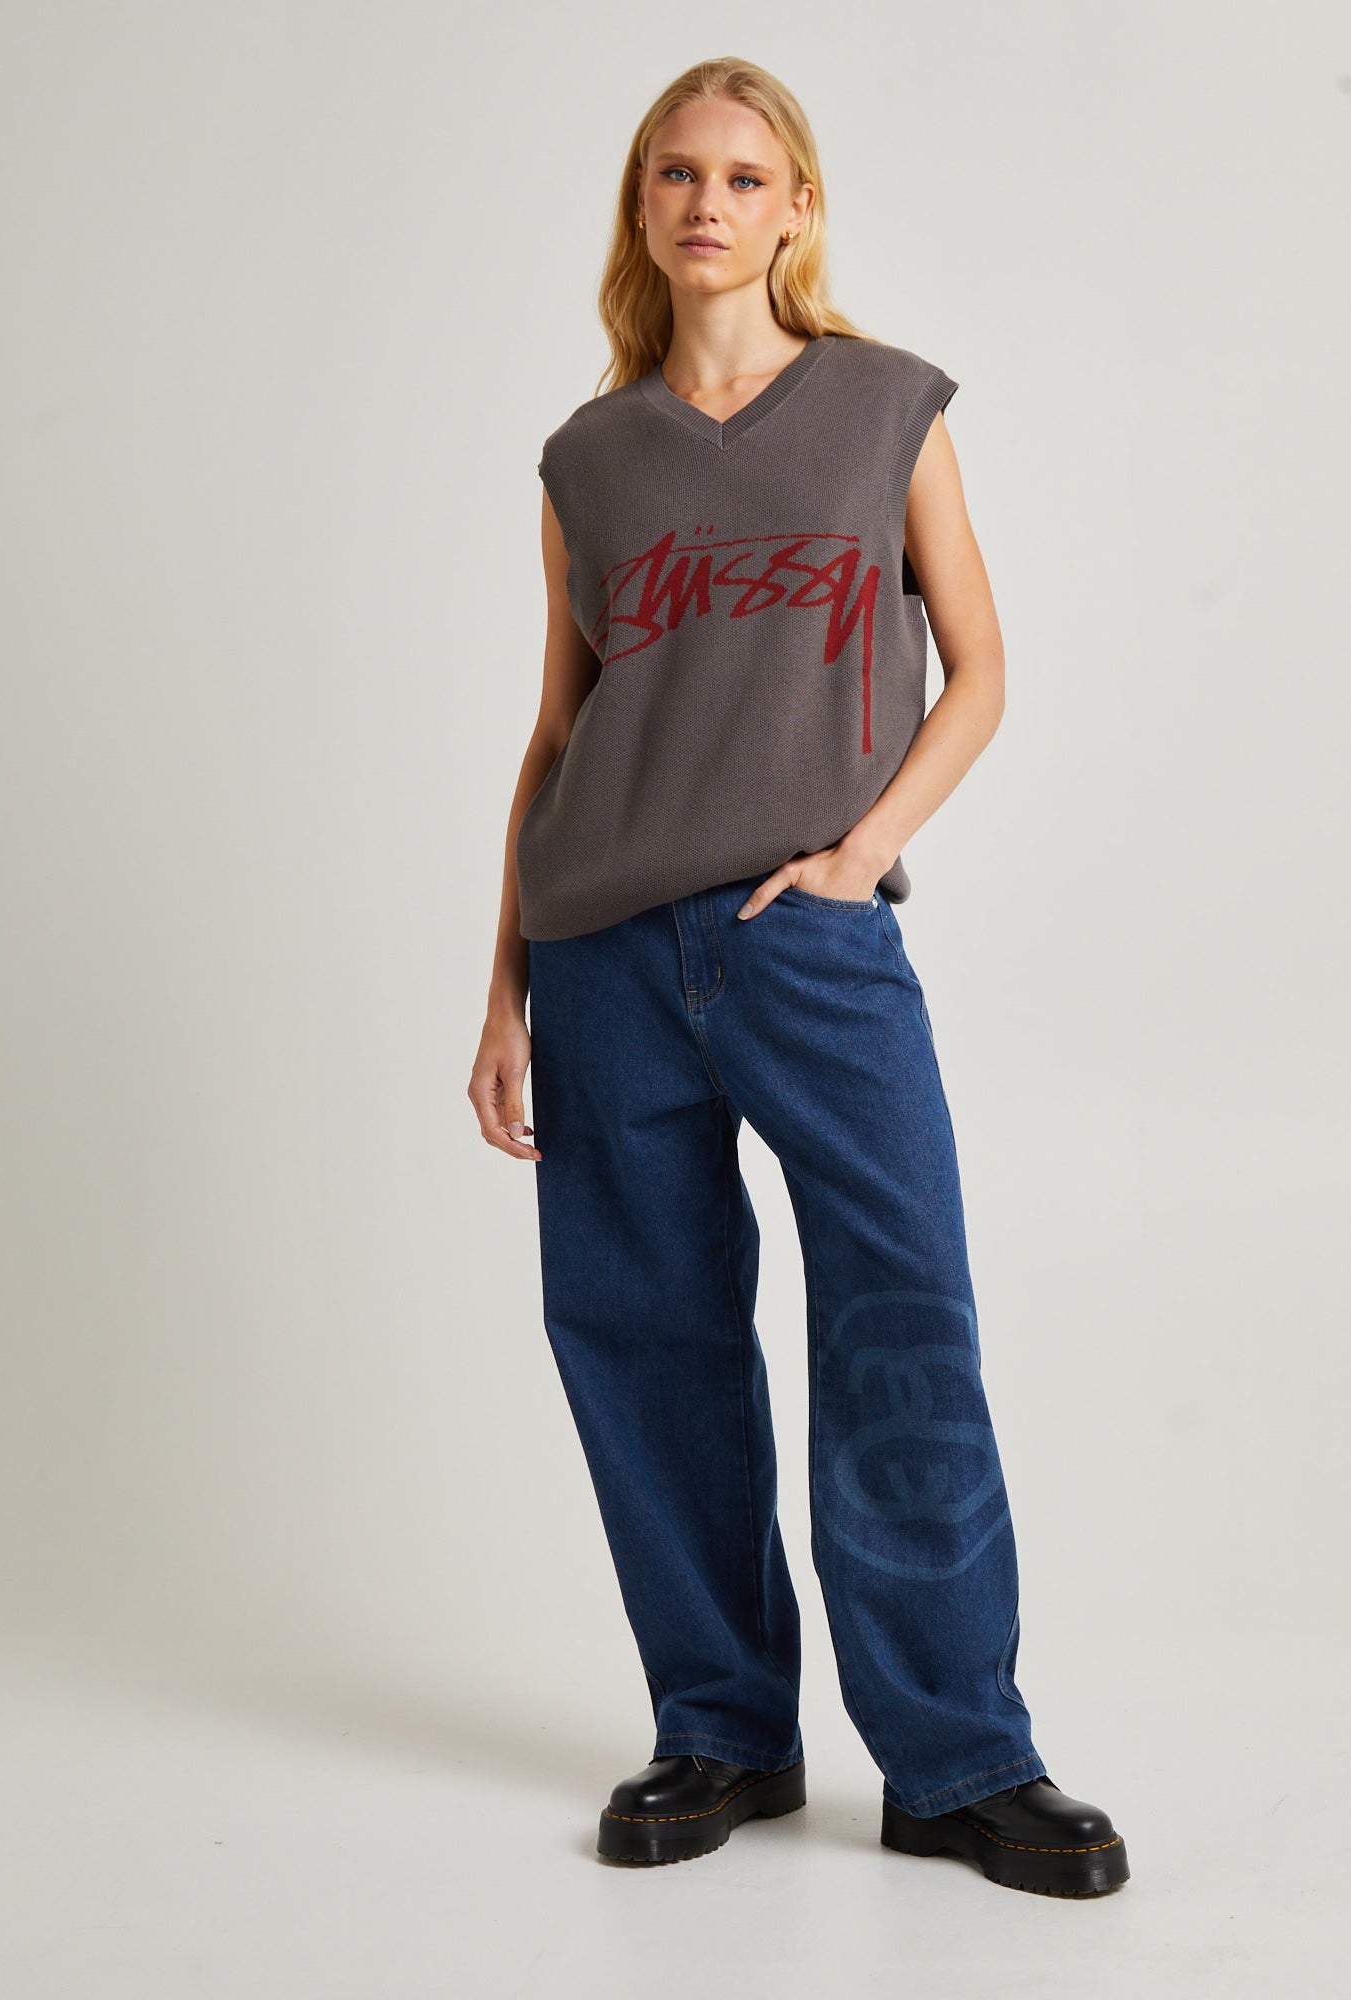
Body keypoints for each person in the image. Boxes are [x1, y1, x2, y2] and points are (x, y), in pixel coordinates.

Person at [468, 56, 1129, 1899]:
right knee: (648, 1338)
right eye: (678, 173)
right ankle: (721, 1729)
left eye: (746, 177)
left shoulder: (883, 407)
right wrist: (504, 991)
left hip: (808, 947)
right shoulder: (587, 460)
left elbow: (979, 669)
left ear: (798, 209)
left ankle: (960, 1758)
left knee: (902, 1315)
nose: (709, 203)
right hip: (602, 953)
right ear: (644, 205)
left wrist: (852, 860)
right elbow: (556, 735)